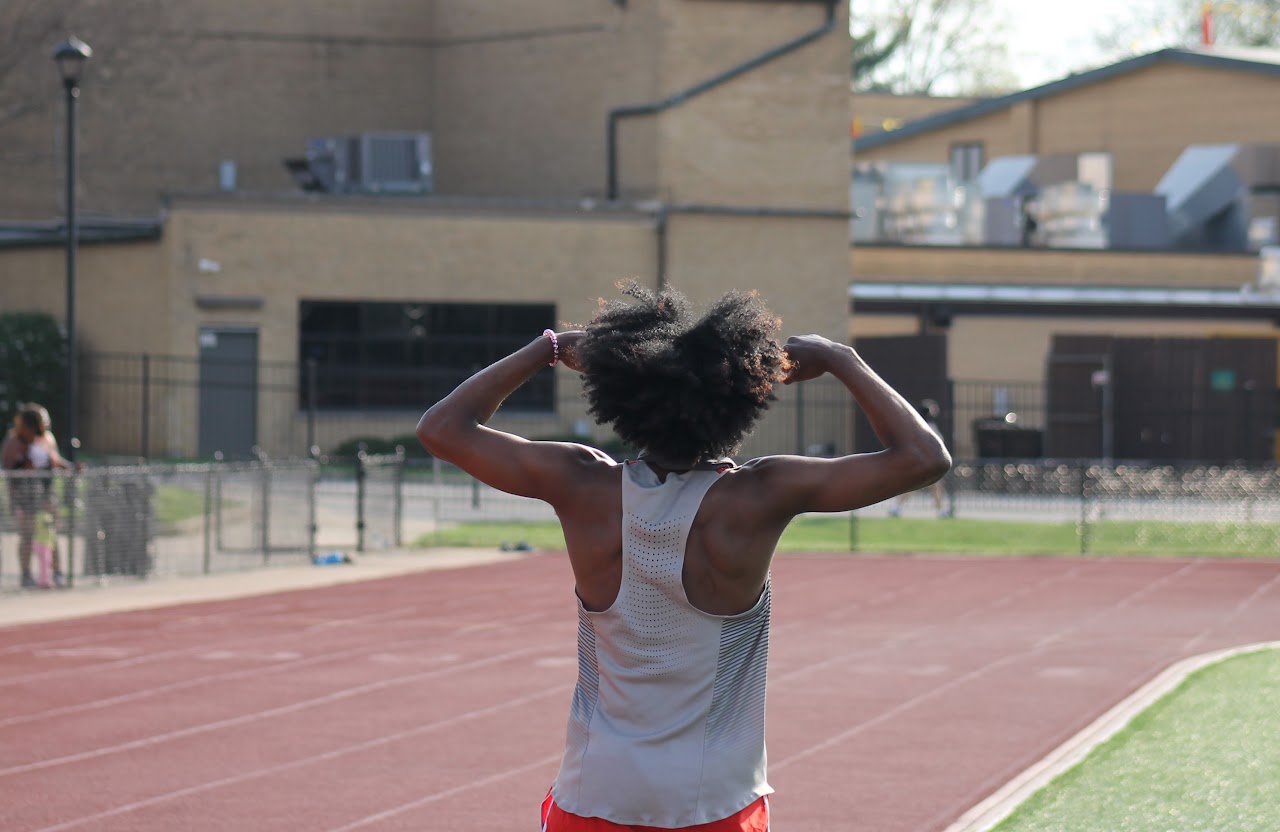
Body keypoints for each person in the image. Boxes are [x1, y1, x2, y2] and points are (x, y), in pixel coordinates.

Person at [416, 283, 951, 831]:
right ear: (743, 400)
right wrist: (843, 359)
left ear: (618, 393)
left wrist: (547, 348)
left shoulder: (580, 483)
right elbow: (923, 457)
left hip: (594, 792)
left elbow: (441, 428)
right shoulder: (761, 494)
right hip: (715, 802)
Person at [3, 403, 73, 587]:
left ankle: (57, 572)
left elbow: (56, 460)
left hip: (45, 494)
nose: (46, 425)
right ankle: (26, 574)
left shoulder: (47, 439)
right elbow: (9, 471)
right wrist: (13, 499)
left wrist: (72, 468)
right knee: (26, 535)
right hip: (24, 497)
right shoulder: (14, 442)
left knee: (51, 533)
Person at [888, 398, 950, 518]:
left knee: (931, 487)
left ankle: (940, 510)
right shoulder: (928, 427)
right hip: (928, 462)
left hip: (928, 462)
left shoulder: (920, 426)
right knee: (923, 487)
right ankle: (896, 507)